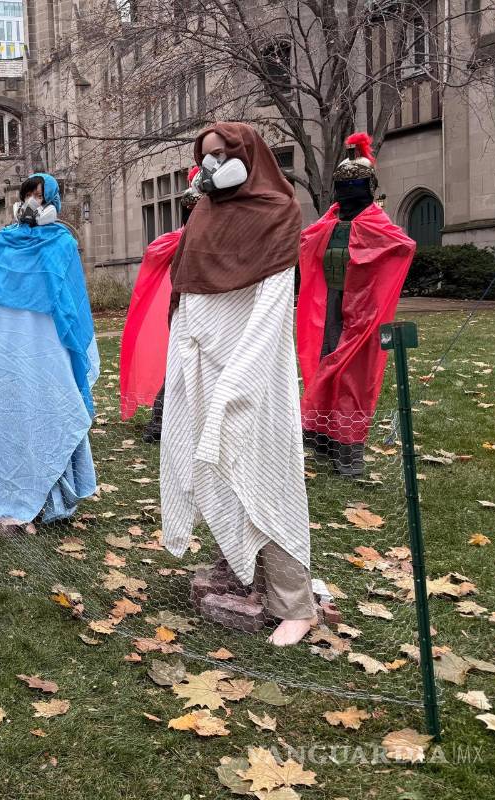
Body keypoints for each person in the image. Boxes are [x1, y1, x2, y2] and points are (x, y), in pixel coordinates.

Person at [159, 123, 316, 647]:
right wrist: (182, 360)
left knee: (269, 475)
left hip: (254, 371)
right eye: (204, 155)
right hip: (201, 364)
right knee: (215, 469)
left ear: (248, 156)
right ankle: (241, 567)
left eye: (222, 154)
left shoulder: (278, 213)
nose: (211, 164)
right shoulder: (204, 212)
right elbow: (187, 290)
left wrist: (240, 378)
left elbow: (273, 308)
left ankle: (295, 603)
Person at [0, 173, 98, 534]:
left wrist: (70, 347)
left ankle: (53, 498)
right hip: (8, 351)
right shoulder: (5, 242)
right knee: (10, 414)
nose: (33, 203)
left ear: (53, 201)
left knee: (48, 407)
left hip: (47, 347)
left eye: (40, 196)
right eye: (27, 196)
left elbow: (71, 302)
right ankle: (2, 490)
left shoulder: (62, 244)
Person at [297, 133, 416, 477]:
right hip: (328, 303)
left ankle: (349, 450)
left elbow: (401, 245)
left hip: (361, 308)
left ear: (368, 187)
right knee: (324, 361)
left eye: (356, 185)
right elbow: (308, 242)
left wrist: (363, 258)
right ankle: (322, 437)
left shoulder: (377, 223)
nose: (348, 193)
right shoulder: (329, 221)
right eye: (343, 186)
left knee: (352, 374)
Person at [119, 167, 202, 442]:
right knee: (179, 360)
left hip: (205, 303)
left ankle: (183, 421)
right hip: (186, 304)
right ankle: (161, 421)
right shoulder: (179, 240)